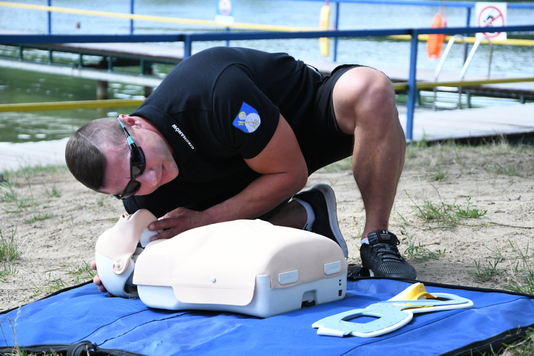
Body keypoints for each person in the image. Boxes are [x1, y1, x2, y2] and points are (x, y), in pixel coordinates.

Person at [66, 46, 416, 280]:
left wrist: (204, 219)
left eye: (138, 161)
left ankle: (377, 240)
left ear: (133, 123)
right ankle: (307, 215)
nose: (148, 180)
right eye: (128, 187)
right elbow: (139, 235)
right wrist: (119, 262)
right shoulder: (144, 187)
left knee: (371, 88)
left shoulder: (214, 93)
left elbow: (290, 173)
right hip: (245, 162)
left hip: (303, 120)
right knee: (179, 249)